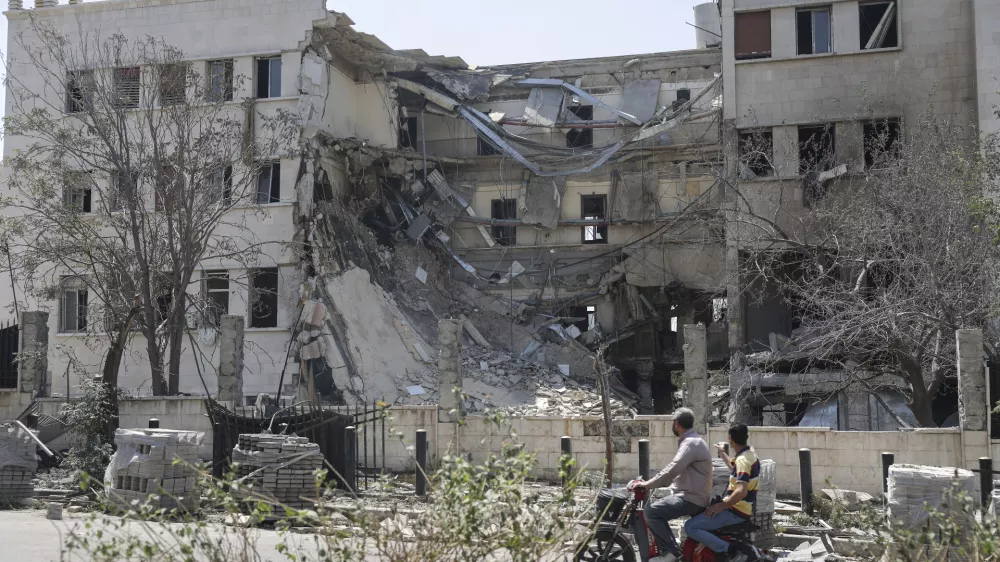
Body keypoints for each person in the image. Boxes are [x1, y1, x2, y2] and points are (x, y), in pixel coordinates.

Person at [628, 408, 712, 562]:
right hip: (691, 495)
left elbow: (673, 469)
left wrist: (647, 484)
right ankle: (672, 550)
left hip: (691, 498)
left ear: (676, 424)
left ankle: (670, 553)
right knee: (658, 508)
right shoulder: (692, 441)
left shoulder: (690, 443)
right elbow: (672, 470)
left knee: (652, 512)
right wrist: (655, 481)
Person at [683, 423, 760, 562]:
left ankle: (730, 551)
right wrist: (722, 453)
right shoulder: (749, 455)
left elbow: (741, 491)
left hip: (735, 511)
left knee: (690, 526)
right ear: (747, 437)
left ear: (730, 439)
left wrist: (722, 506)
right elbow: (734, 468)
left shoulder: (742, 460)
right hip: (740, 508)